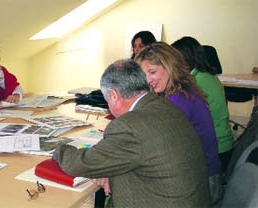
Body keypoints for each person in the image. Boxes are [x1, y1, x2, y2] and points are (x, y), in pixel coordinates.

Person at [53, 59, 209, 207]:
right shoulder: (165, 106)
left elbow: (79, 164)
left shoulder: (128, 126)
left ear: (113, 95)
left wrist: (58, 147)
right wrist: (108, 170)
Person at [135, 42, 223, 205]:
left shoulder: (178, 100)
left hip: (205, 184)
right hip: (201, 174)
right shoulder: (180, 91)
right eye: (143, 75)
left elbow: (154, 143)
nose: (148, 80)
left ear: (169, 67)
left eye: (152, 72)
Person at [172, 36, 234, 172]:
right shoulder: (205, 75)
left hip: (216, 148)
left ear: (184, 58)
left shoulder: (197, 82)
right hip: (223, 143)